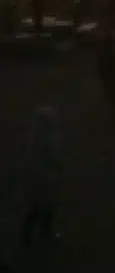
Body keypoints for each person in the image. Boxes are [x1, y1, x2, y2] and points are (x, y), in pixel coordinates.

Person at [20, 106, 61, 249]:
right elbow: (54, 158)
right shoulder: (49, 139)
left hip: (37, 179)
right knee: (45, 208)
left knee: (36, 207)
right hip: (46, 179)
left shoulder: (34, 139)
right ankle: (44, 235)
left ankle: (30, 235)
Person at [96, 32, 115, 129]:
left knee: (114, 98)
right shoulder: (112, 52)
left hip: (111, 78)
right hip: (112, 78)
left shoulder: (107, 53)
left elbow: (103, 66)